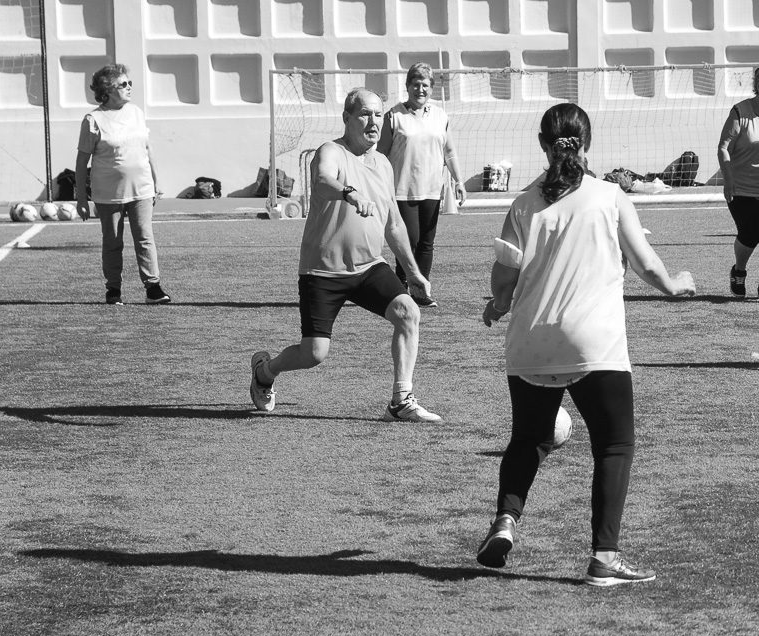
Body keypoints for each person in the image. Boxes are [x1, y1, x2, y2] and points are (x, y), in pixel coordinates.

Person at [475, 103, 695, 586]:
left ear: (542, 144)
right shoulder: (610, 196)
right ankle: (604, 558)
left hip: (529, 343)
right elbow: (647, 266)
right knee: (614, 445)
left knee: (529, 438)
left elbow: (504, 280)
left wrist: (497, 305)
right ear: (587, 143)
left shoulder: (523, 204)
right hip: (592, 343)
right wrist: (676, 283)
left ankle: (506, 521)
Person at [249, 88, 442, 423]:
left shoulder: (382, 163)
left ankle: (400, 402)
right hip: (322, 270)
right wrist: (349, 193)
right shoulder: (331, 151)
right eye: (365, 114)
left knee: (408, 313)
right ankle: (265, 371)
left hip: (369, 266)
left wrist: (412, 272)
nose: (373, 121)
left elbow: (393, 225)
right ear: (347, 118)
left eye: (379, 114)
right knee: (314, 353)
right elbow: (322, 179)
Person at [75, 63, 171, 305]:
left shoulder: (136, 112)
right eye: (123, 84)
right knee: (113, 242)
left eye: (130, 83)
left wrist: (156, 180)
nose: (129, 87)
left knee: (145, 237)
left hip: (142, 189)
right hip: (108, 194)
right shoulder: (93, 119)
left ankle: (153, 288)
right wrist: (81, 199)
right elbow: (81, 160)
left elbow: (147, 148)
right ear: (107, 90)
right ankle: (113, 290)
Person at [376, 62, 466, 308]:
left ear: (431, 88)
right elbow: (381, 155)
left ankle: (421, 291)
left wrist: (458, 180)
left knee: (426, 243)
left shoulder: (441, 116)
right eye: (415, 84)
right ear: (407, 86)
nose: (420, 89)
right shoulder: (394, 116)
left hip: (432, 190)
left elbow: (449, 152)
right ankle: (400, 288)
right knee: (410, 241)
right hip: (402, 191)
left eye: (425, 85)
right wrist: (378, 184)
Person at [718, 67, 759, 298]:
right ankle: (739, 270)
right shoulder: (740, 112)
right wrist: (728, 180)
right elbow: (723, 148)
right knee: (751, 232)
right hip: (740, 188)